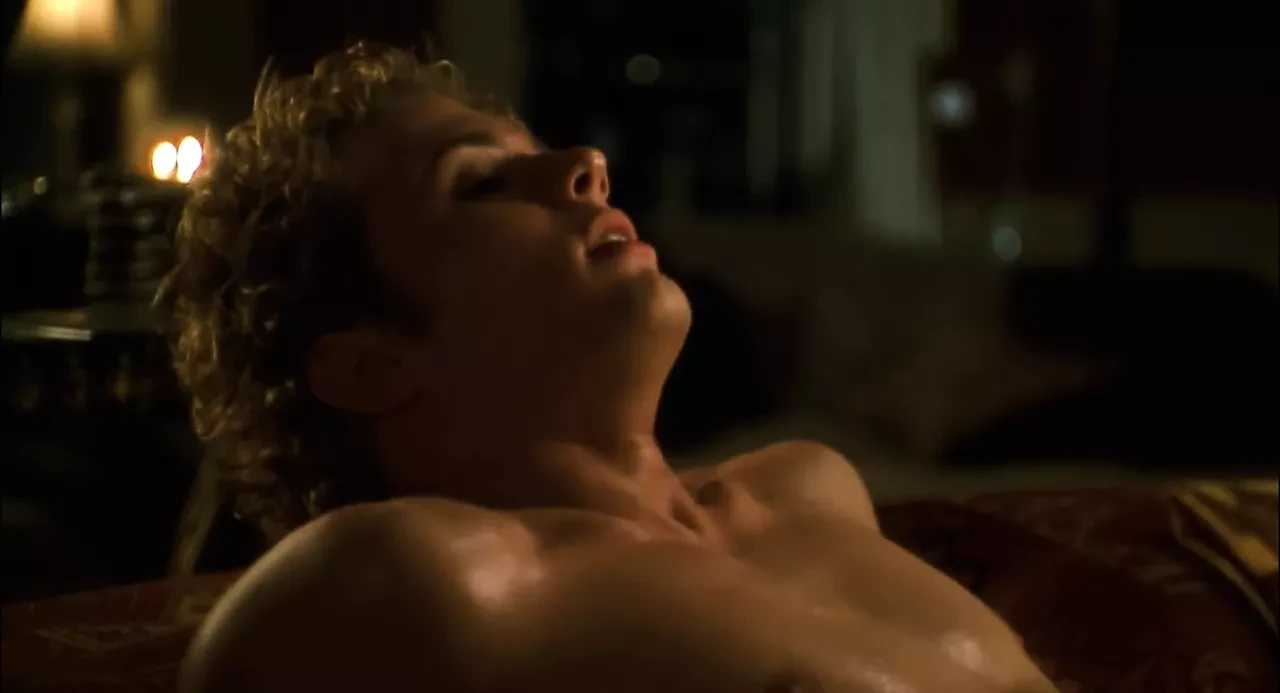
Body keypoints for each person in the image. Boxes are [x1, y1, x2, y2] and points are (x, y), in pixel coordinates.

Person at [164, 42, 1058, 693]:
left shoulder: (811, 488)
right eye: (481, 181)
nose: (588, 166)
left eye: (542, 151)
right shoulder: (405, 580)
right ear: (371, 364)